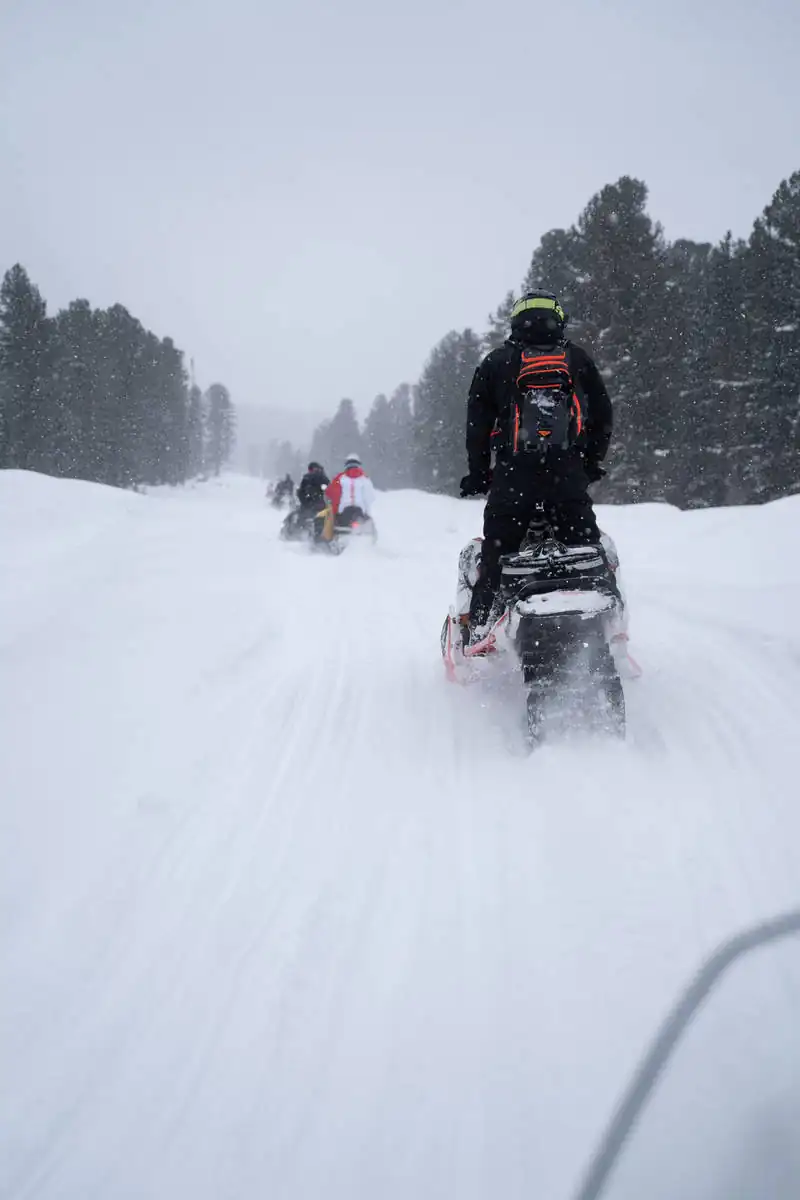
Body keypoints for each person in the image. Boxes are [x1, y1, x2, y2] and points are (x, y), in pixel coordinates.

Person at [460, 289, 613, 639]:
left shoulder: (496, 362)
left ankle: (482, 628)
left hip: (514, 477)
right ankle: (607, 618)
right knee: (586, 548)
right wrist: (588, 463)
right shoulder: (576, 359)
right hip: (566, 475)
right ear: (559, 320)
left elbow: (477, 425)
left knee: (498, 553)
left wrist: (479, 473)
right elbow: (603, 415)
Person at [325, 453, 375, 524]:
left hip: (344, 511)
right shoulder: (365, 479)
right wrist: (366, 511)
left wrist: (335, 509)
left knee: (332, 523)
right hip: (360, 511)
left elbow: (332, 494)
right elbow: (370, 497)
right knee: (367, 526)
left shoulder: (340, 478)